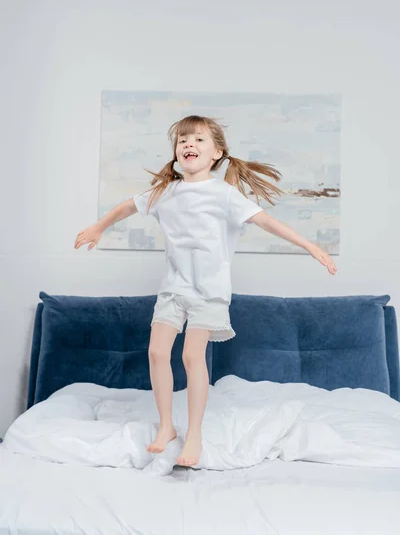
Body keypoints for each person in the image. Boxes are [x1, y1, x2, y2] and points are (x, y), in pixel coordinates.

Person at [74, 115, 337, 468]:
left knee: (191, 357)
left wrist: (310, 246)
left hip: (210, 292)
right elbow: (126, 206)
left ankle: (194, 433)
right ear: (176, 152)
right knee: (156, 353)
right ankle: (166, 425)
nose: (188, 145)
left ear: (217, 153)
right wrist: (98, 227)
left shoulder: (224, 195)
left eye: (197, 140)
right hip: (173, 288)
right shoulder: (163, 193)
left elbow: (267, 222)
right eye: (182, 140)